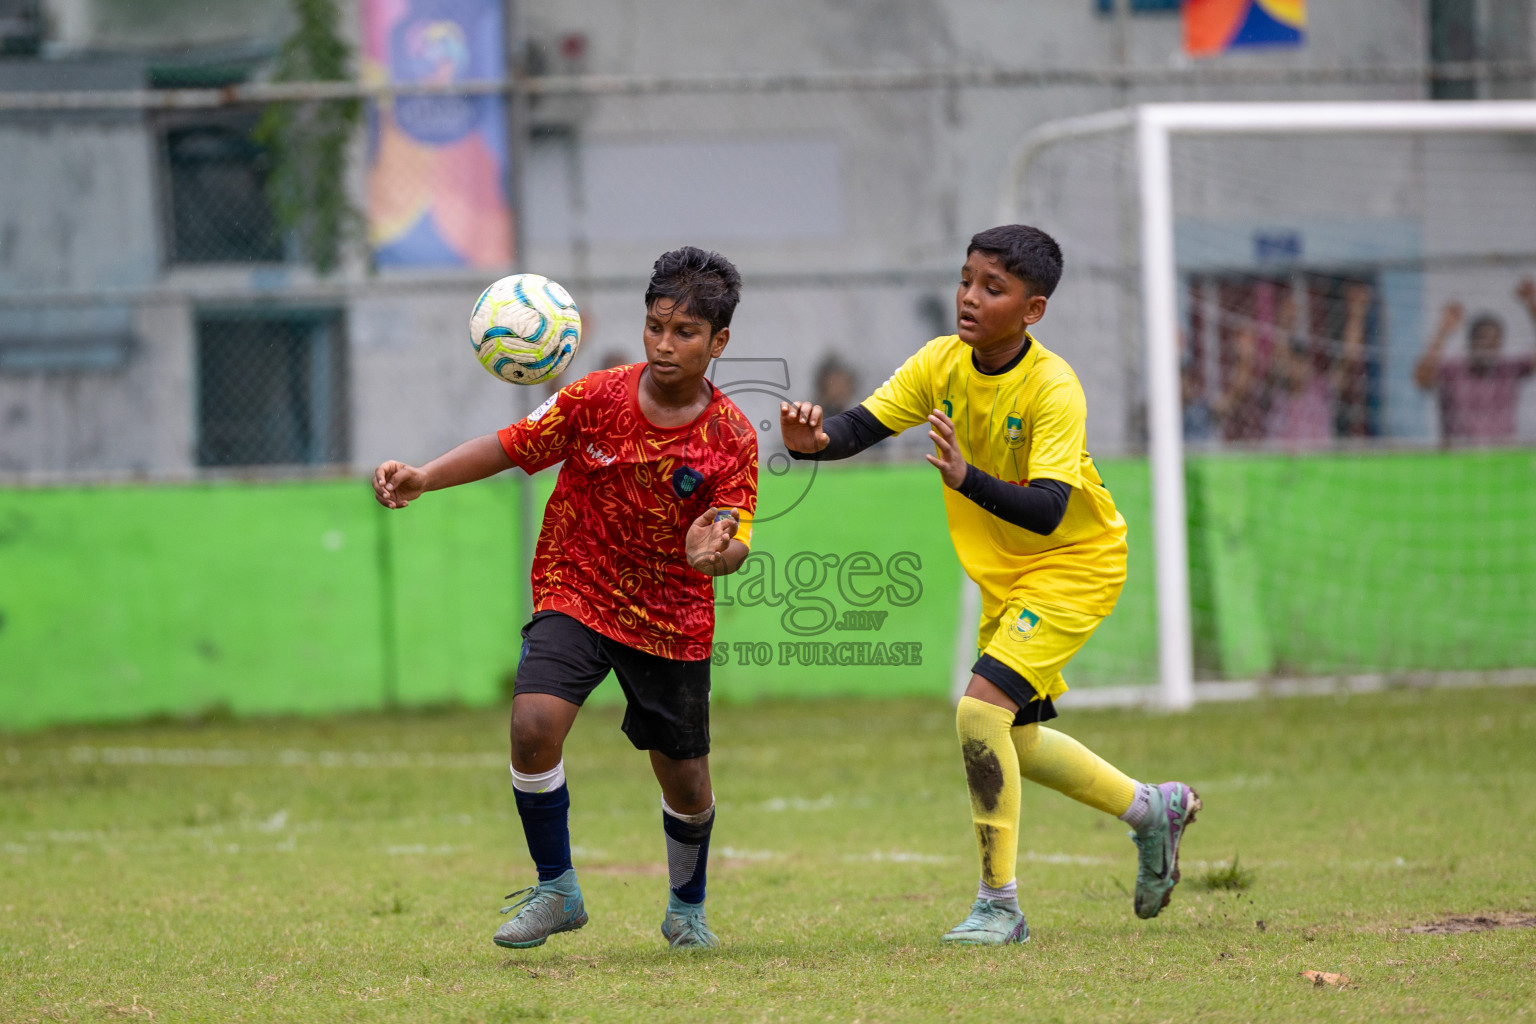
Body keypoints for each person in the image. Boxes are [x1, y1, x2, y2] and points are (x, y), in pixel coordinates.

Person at [779, 225, 1198, 945]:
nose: (969, 298)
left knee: (978, 716)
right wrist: (810, 442)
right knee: (1019, 741)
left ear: (1032, 310)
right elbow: (858, 426)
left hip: (1075, 565)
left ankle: (998, 905)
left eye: (992, 288)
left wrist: (965, 478)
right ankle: (1149, 810)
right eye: (966, 279)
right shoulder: (942, 361)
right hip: (1009, 579)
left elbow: (1048, 510)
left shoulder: (1053, 386)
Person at [373, 247, 759, 950]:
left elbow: (734, 536)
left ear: (719, 342)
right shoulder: (595, 399)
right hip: (576, 586)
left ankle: (687, 908)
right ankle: (557, 888)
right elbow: (510, 445)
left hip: (670, 615)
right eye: (655, 327)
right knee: (532, 724)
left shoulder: (730, 437)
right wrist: (425, 476)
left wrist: (717, 553)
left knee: (687, 783)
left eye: (685, 333)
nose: (665, 345)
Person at [1415, 278, 1536, 443]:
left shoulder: (1508, 369)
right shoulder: (1454, 370)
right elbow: (1422, 379)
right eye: (1484, 340)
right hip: (1459, 457)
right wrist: (1443, 330)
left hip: (1501, 455)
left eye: (1495, 342)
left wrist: (1532, 306)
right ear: (1471, 342)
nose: (1489, 347)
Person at [1262, 281, 1371, 447]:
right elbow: (1279, 356)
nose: (1296, 369)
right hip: (1281, 467)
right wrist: (1285, 323)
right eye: (1291, 362)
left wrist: (1356, 314)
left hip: (1317, 465)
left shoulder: (1321, 390)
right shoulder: (1276, 395)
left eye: (1301, 363)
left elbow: (1349, 359)